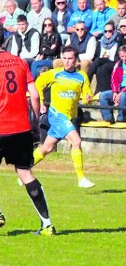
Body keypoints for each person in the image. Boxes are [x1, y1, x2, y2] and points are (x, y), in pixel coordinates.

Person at [0, 22, 55, 236]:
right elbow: (34, 95)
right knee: (25, 172)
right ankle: (47, 224)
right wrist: (35, 123)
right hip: (22, 128)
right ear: (5, 40)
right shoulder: (19, 62)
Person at [33, 46, 95, 189]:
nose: (66, 62)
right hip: (56, 115)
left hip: (68, 117)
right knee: (76, 141)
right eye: (65, 58)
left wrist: (88, 99)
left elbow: (87, 97)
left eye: (70, 59)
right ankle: (81, 178)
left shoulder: (82, 76)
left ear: (76, 60)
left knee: (46, 148)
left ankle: (24, 171)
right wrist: (41, 101)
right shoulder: (55, 74)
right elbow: (38, 83)